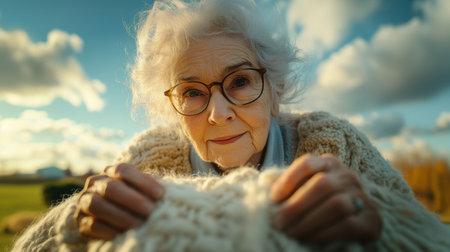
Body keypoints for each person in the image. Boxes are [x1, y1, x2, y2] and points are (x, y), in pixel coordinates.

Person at [13, 0, 450, 251]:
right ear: (173, 109)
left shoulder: (334, 144)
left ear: (275, 88)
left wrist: (379, 221)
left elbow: (430, 234)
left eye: (240, 81)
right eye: (192, 92)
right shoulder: (148, 158)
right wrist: (77, 220)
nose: (217, 113)